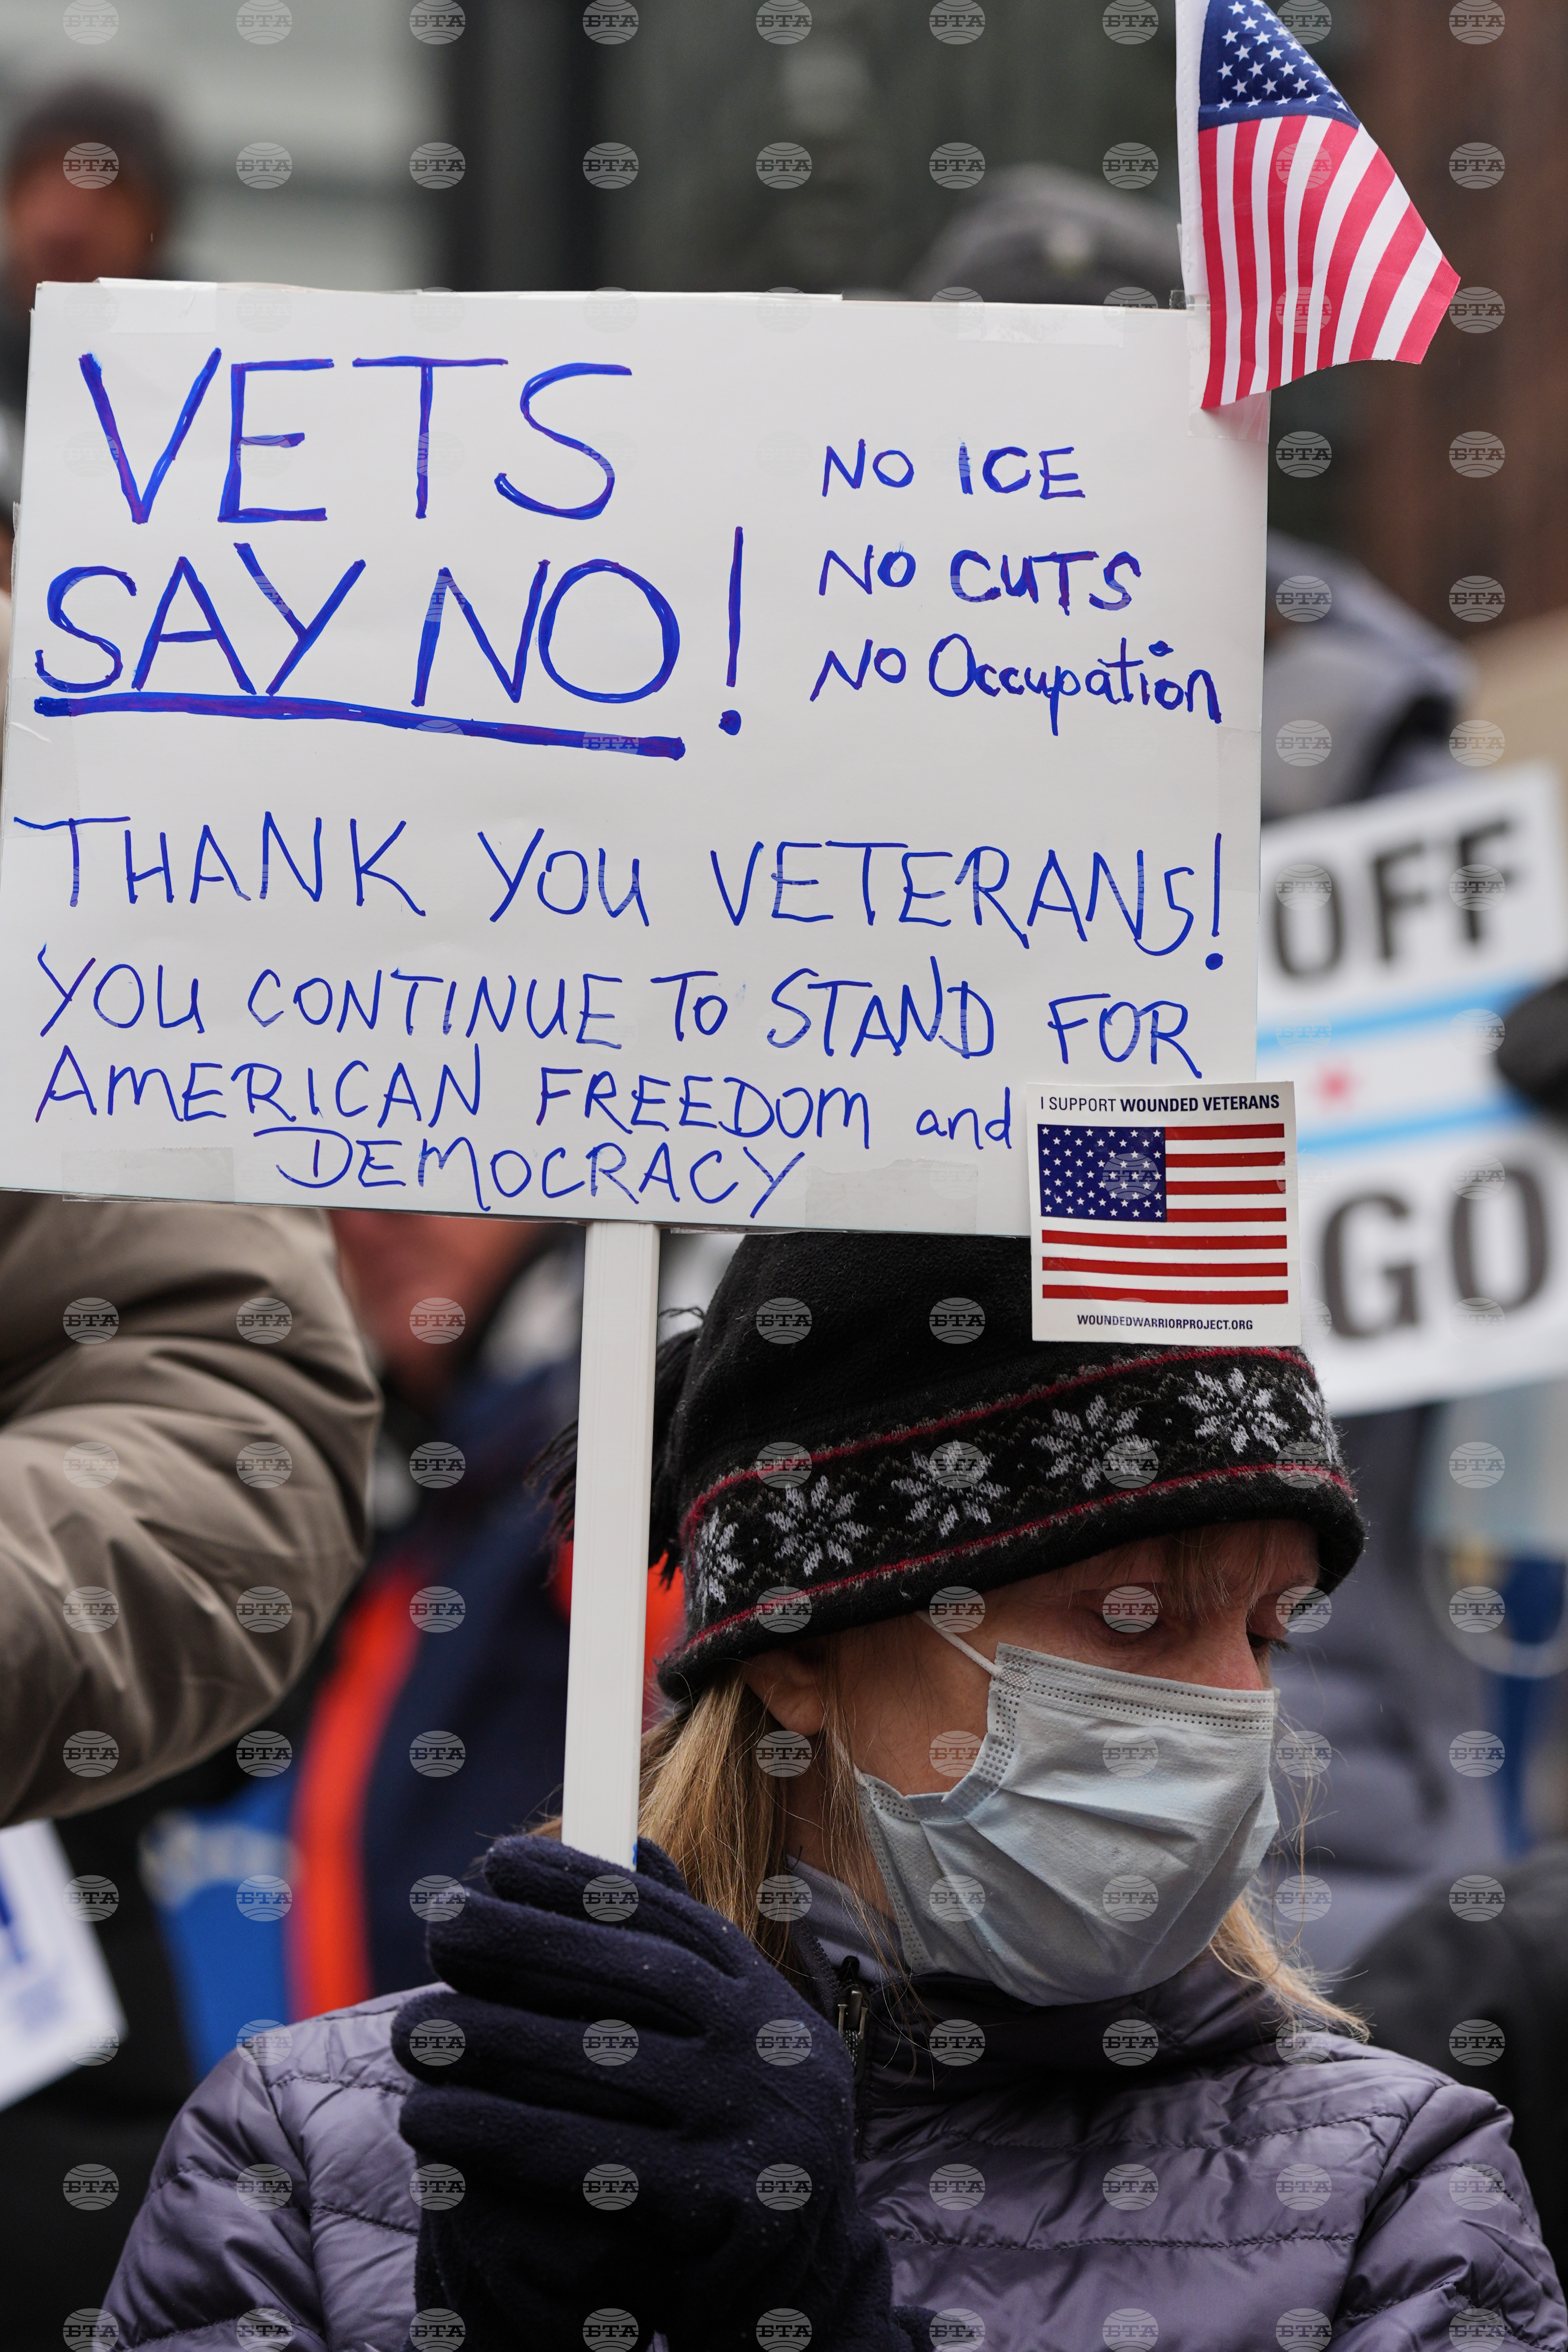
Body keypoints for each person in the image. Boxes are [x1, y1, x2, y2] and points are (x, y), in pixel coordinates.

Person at [105, 1233, 1563, 2352]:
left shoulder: (1396, 2187)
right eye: (1129, 1619)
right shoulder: (312, 2147)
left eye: (1267, 1630)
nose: (1232, 1714)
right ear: (801, 1656)